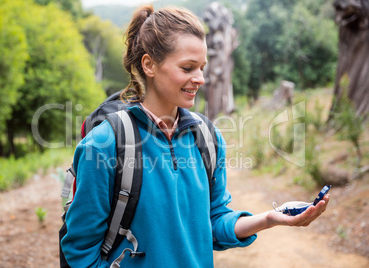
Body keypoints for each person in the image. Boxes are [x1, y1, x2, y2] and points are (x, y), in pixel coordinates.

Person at [61, 5, 330, 268]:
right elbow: (80, 251)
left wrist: (270, 218)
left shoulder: (207, 137)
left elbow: (214, 223)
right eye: (188, 68)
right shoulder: (104, 144)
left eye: (202, 67)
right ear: (149, 65)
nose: (200, 78)